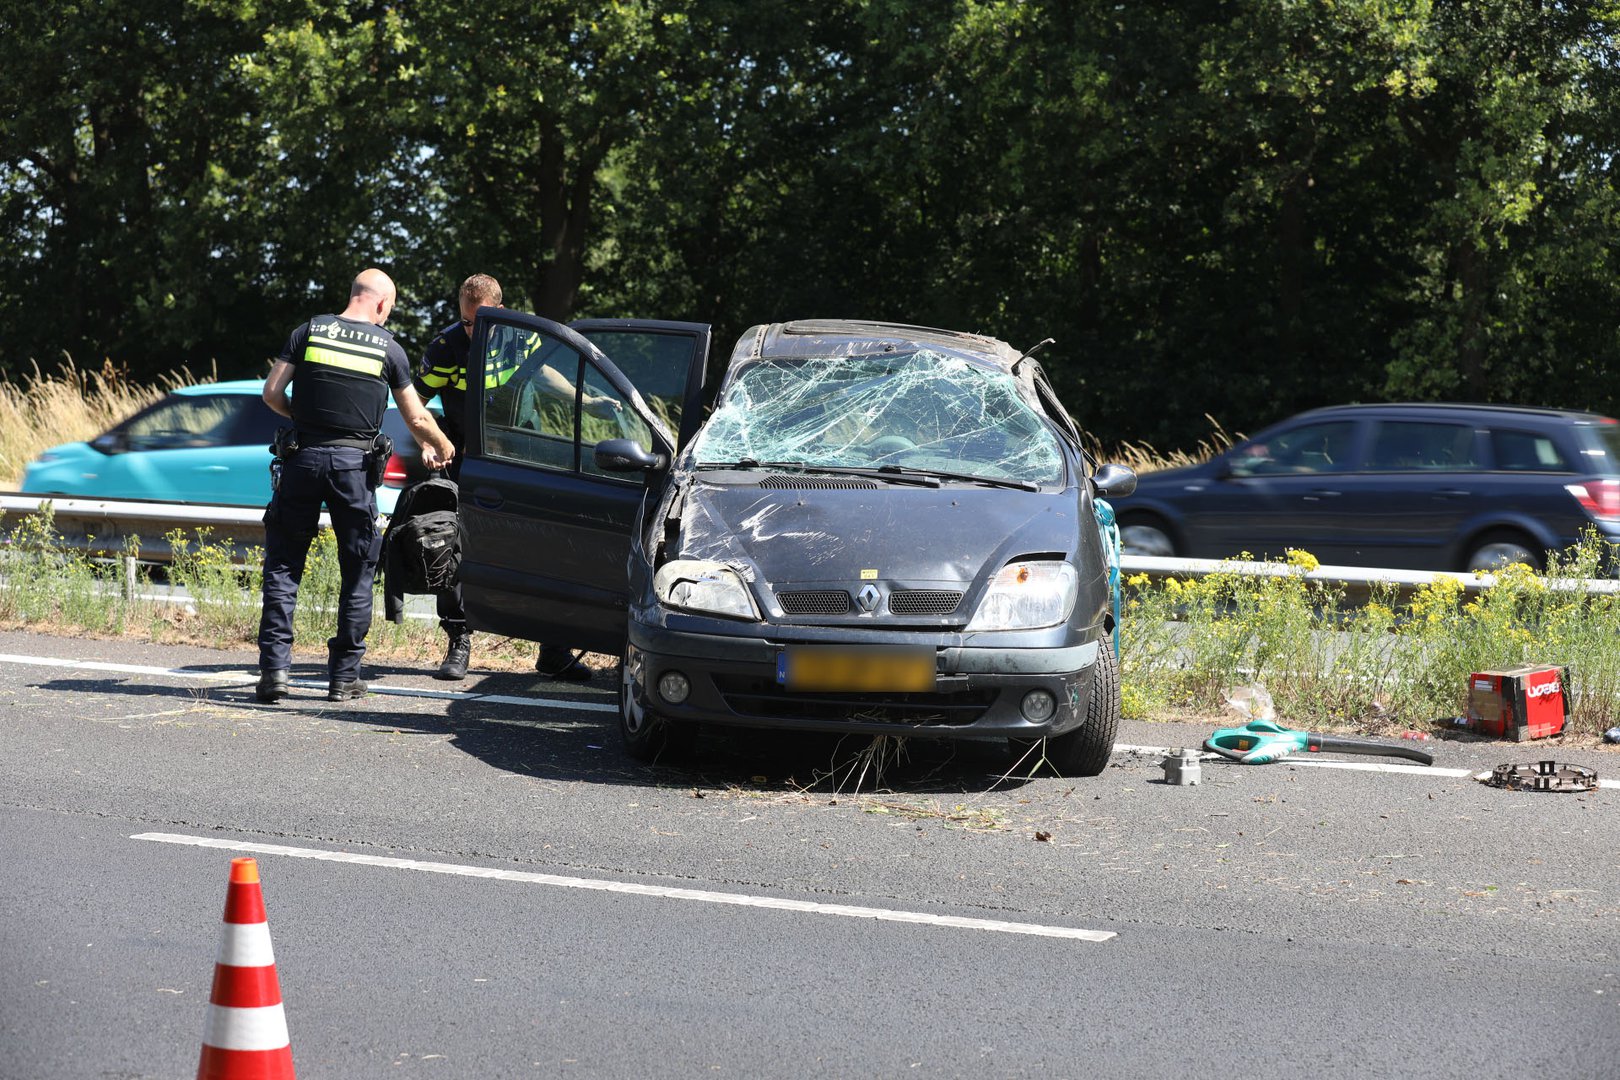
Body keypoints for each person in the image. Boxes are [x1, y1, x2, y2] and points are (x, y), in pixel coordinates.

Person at [255, 268, 455, 704]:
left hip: (302, 458)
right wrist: (441, 443)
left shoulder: (308, 332)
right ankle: (344, 678)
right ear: (382, 304)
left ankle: (274, 674)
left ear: (354, 295)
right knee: (358, 570)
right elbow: (416, 417)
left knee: (284, 566)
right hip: (353, 469)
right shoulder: (389, 348)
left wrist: (306, 422)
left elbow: (271, 394)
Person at [414, 272, 618, 682]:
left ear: (499, 310)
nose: (471, 330)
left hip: (521, 452)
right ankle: (458, 642)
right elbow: (415, 402)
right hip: (467, 459)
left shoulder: (521, 336)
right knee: (457, 549)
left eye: (479, 320)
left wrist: (590, 401)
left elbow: (543, 376)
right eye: (466, 321)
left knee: (544, 544)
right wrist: (427, 442)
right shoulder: (446, 346)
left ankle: (554, 650)